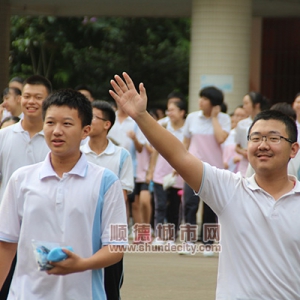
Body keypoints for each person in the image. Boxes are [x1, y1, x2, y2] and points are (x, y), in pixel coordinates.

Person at [109, 72, 300, 299]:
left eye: (274, 138)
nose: (263, 145)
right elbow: (180, 155)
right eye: (256, 138)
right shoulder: (230, 190)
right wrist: (141, 116)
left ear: (293, 149)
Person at [0, 89, 127, 300]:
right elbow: (5, 243)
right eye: (50, 123)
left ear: (85, 131)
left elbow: (116, 245)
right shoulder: (21, 179)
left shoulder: (106, 182)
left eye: (67, 124)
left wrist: (83, 265)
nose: (57, 131)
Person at [0, 75, 52, 300]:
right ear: (20, 99)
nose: (31, 101)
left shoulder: (57, 138)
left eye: (38, 97)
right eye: (27, 96)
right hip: (8, 227)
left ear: (49, 100)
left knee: (43, 286)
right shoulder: (4, 136)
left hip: (46, 226)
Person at [80, 100, 133, 300]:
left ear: (107, 124)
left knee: (111, 283)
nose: (89, 120)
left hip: (110, 227)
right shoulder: (78, 151)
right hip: (83, 223)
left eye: (94, 117)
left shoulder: (121, 155)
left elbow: (123, 195)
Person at [182, 85, 231, 255]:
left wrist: (215, 118)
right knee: (190, 205)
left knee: (210, 207)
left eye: (205, 99)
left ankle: (208, 243)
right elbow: (186, 142)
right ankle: (188, 242)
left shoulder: (224, 119)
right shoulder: (191, 118)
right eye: (200, 98)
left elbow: (220, 138)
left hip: (213, 170)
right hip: (192, 167)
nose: (200, 102)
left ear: (214, 103)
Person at [148, 100, 187, 244]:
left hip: (179, 174)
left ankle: (171, 236)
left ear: (182, 112)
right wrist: (151, 170)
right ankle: (159, 236)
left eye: (172, 110)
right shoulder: (163, 126)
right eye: (168, 110)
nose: (169, 113)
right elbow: (155, 151)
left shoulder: (187, 130)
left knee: (175, 208)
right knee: (160, 205)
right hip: (160, 173)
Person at [235, 91, 269, 176]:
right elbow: (237, 147)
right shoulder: (242, 124)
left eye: (246, 103)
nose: (244, 106)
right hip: (245, 163)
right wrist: (243, 152)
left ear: (256, 105)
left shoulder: (268, 122)